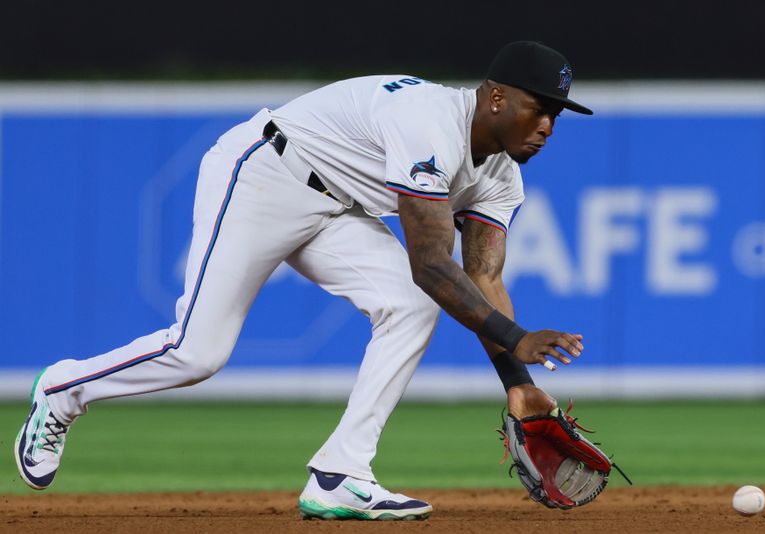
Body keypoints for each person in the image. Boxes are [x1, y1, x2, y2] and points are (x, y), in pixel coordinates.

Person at [14, 41, 591, 521]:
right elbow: (431, 264)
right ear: (495, 97)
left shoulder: (501, 179)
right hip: (265, 174)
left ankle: (340, 474)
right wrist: (515, 337)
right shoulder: (429, 124)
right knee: (197, 353)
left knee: (412, 309)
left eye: (555, 116)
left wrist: (516, 381)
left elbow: (482, 276)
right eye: (537, 108)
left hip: (338, 208)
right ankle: (65, 388)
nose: (545, 126)